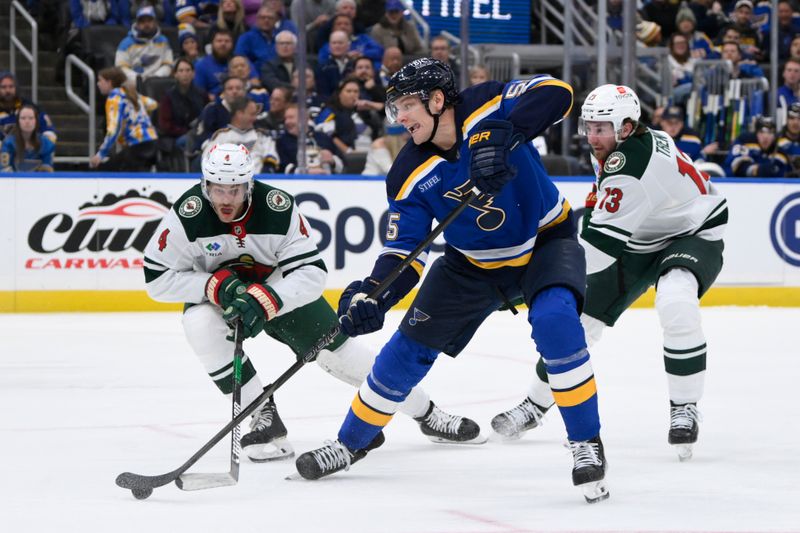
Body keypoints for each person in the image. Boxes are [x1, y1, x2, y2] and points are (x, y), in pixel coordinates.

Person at [294, 58, 610, 504]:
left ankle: (586, 442)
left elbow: (558, 91)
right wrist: (372, 292)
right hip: (471, 265)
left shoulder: (488, 104)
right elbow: (404, 248)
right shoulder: (407, 171)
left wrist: (505, 132)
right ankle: (351, 443)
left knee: (557, 322)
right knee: (404, 352)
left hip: (544, 242)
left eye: (407, 105)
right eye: (396, 108)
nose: (400, 118)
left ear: (438, 100)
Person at [142, 142, 484, 462]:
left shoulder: (276, 207)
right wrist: (213, 286)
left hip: (278, 292)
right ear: (205, 185)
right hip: (219, 297)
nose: (226, 199)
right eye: (218, 189)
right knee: (200, 326)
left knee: (342, 357)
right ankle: (265, 420)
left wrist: (269, 298)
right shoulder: (187, 215)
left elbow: (311, 273)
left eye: (235, 189)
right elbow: (156, 278)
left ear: (248, 184)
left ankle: (427, 413)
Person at [491, 84, 728, 464]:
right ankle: (535, 405)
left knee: (676, 300)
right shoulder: (623, 146)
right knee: (579, 322)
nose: (593, 136)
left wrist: (532, 282)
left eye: (602, 128)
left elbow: (597, 254)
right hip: (642, 237)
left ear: (628, 127)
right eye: (590, 126)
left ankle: (684, 406)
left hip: (693, 231)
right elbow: (609, 192)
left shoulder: (629, 164)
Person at [91, 66, 158, 171]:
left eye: (100, 80)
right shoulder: (131, 94)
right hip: (152, 142)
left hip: (137, 146)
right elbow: (153, 104)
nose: (98, 84)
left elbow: (113, 130)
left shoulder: (114, 99)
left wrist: (101, 154)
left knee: (104, 171)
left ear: (109, 82)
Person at [202, 97, 279, 173]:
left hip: (257, 181)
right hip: (227, 181)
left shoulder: (262, 136)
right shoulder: (221, 136)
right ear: (239, 114)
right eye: (252, 114)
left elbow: (272, 157)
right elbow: (206, 160)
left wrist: (264, 175)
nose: (255, 118)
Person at [277, 103, 343, 174]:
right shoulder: (282, 142)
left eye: (291, 117)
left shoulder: (323, 137)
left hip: (326, 183)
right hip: (297, 183)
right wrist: (306, 172)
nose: (287, 122)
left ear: (305, 118)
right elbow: (282, 169)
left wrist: (333, 161)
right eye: (286, 118)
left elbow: (344, 167)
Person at [158, 58, 207, 150]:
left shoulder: (201, 94)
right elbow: (165, 126)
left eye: (188, 70)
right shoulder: (168, 97)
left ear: (193, 74)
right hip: (175, 137)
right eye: (181, 71)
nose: (185, 74)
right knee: (192, 140)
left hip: (199, 132)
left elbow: (207, 116)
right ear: (175, 74)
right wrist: (186, 131)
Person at [115, 6, 174, 83]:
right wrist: (137, 78)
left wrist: (156, 77)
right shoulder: (125, 43)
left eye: (149, 21)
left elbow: (168, 65)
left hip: (158, 82)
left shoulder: (163, 41)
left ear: (155, 22)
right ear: (137, 24)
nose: (146, 24)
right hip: (134, 82)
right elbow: (121, 67)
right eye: (142, 22)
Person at [0, 72, 57, 143]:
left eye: (11, 86)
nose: (7, 90)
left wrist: (43, 147)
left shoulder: (30, 107)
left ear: (16, 88)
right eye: (3, 87)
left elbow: (49, 132)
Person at [724, 115, 788, 177]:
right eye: (761, 132)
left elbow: (784, 177)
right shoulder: (745, 142)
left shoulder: (780, 153)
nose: (765, 137)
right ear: (756, 133)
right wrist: (756, 170)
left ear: (775, 135)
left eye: (770, 132)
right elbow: (737, 167)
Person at [0, 104, 55, 172]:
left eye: (31, 118)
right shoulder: (8, 143)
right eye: (23, 118)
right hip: (14, 181)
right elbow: (4, 170)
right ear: (18, 121)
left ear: (36, 121)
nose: (27, 121)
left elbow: (47, 172)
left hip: (38, 181)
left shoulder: (46, 144)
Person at [194, 28, 236, 97]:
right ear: (212, 44)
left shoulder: (241, 63)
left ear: (232, 44)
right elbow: (199, 93)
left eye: (227, 41)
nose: (223, 44)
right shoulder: (201, 65)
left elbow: (254, 81)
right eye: (219, 41)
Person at [778, 102, 800, 176]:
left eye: (799, 119)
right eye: (791, 118)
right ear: (786, 120)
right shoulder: (775, 142)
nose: (795, 122)